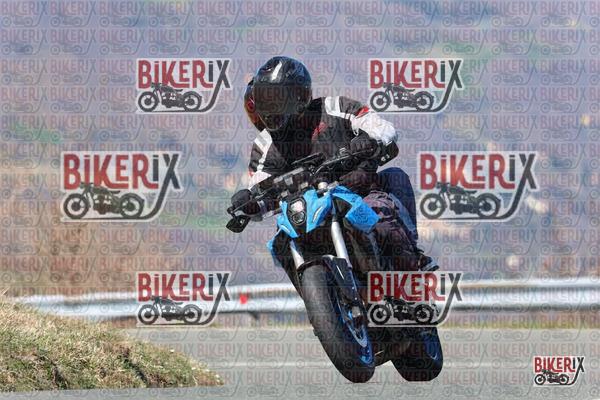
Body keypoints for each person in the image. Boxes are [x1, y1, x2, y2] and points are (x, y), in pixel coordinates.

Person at [232, 56, 435, 273]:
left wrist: (367, 138)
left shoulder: (333, 108)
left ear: (298, 95)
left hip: (358, 194)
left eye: (274, 101)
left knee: (380, 214)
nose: (268, 109)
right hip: (305, 212)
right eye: (264, 102)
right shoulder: (265, 144)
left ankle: (412, 266)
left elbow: (381, 127)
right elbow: (261, 184)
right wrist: (249, 202)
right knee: (280, 243)